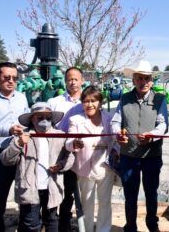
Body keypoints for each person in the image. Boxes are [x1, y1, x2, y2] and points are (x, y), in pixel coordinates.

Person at [112, 60, 168, 232]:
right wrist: (118, 133)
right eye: (140, 78)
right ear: (134, 80)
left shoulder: (160, 99)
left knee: (151, 194)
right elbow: (115, 121)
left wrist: (151, 137)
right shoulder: (125, 98)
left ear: (152, 81)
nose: (144, 82)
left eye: (147, 78)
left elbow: (163, 124)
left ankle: (152, 225)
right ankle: (131, 226)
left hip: (151, 155)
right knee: (130, 195)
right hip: (129, 155)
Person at [1, 102, 75, 232]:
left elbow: (70, 156)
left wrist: (61, 165)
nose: (45, 121)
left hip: (52, 188)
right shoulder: (23, 135)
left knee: (52, 221)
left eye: (48, 117)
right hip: (29, 189)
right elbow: (6, 160)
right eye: (40, 117)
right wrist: (18, 144)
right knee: (30, 223)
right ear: (32, 119)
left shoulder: (60, 135)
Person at [66, 86, 117, 232]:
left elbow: (116, 140)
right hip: (84, 168)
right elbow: (68, 142)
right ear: (82, 103)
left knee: (105, 202)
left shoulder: (109, 118)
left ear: (100, 102)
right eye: (86, 101)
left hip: (105, 167)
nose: (89, 104)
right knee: (86, 203)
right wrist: (74, 143)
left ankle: (103, 229)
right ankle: (87, 229)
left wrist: (115, 151)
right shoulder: (75, 120)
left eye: (93, 101)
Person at [47, 67, 84, 232]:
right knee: (53, 189)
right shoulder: (54, 102)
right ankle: (50, 222)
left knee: (69, 191)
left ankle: (65, 224)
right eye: (70, 79)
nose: (73, 82)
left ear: (82, 80)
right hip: (57, 152)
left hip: (80, 153)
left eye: (76, 79)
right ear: (65, 80)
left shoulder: (88, 102)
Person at [0, 62, 29, 231]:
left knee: (24, 192)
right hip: (0, 153)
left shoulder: (22, 97)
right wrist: (8, 129)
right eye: (6, 77)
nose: (11, 81)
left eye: (15, 78)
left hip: (20, 151)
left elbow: (28, 119)